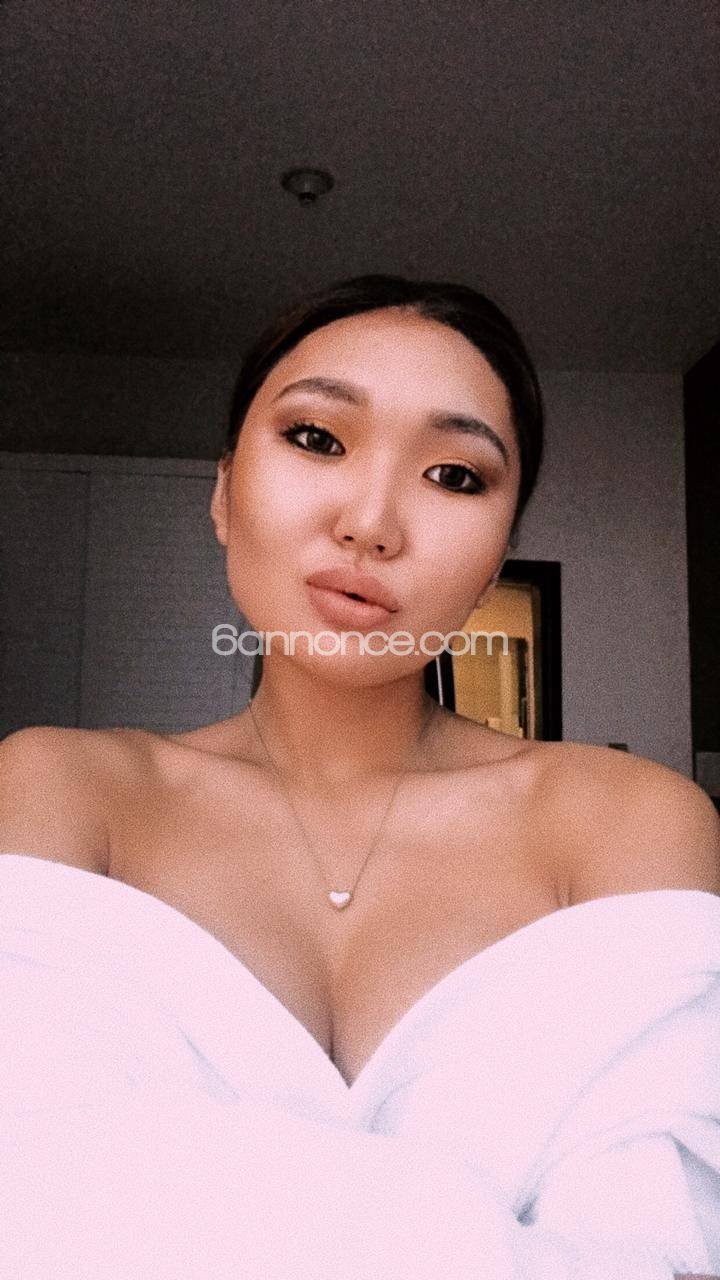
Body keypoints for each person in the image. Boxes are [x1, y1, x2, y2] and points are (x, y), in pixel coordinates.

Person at [1, 273, 719, 1278]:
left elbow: (662, 1252)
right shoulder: (64, 791)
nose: (372, 522)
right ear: (222, 492)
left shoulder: (624, 822)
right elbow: (32, 1208)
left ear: (499, 553)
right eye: (316, 438)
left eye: (454, 475)